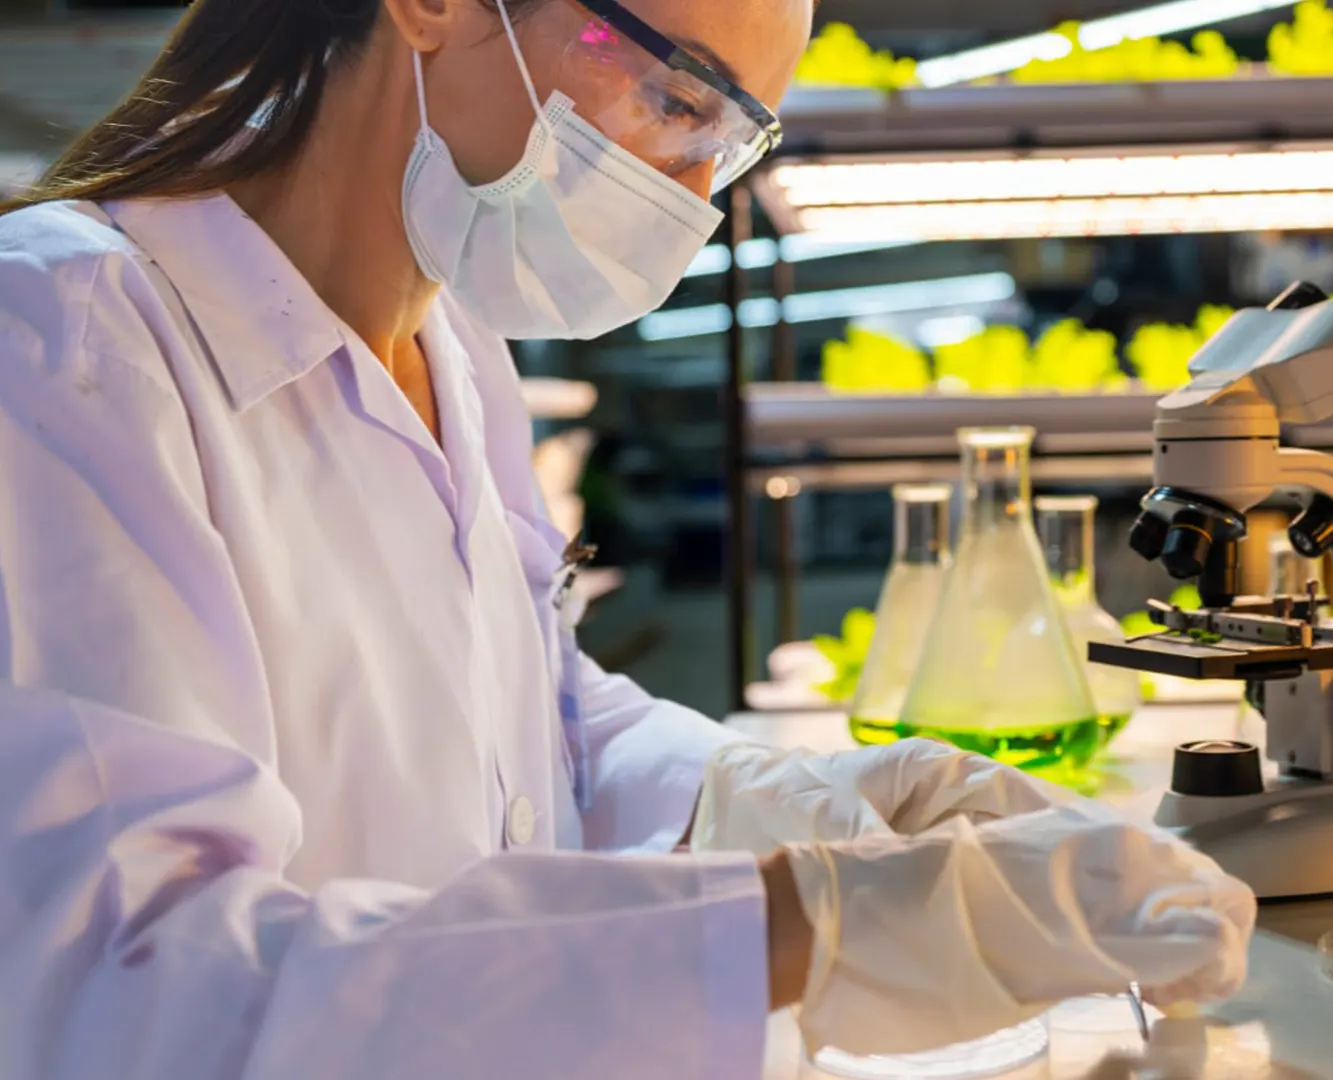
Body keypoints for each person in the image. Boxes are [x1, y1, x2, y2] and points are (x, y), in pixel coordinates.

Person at [0, 0, 1257, 1076]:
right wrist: (804, 927)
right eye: (676, 96)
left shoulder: (456, 350)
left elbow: (536, 738)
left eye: (734, 136)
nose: (696, 194)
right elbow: (137, 990)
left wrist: (817, 808)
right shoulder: (64, 342)